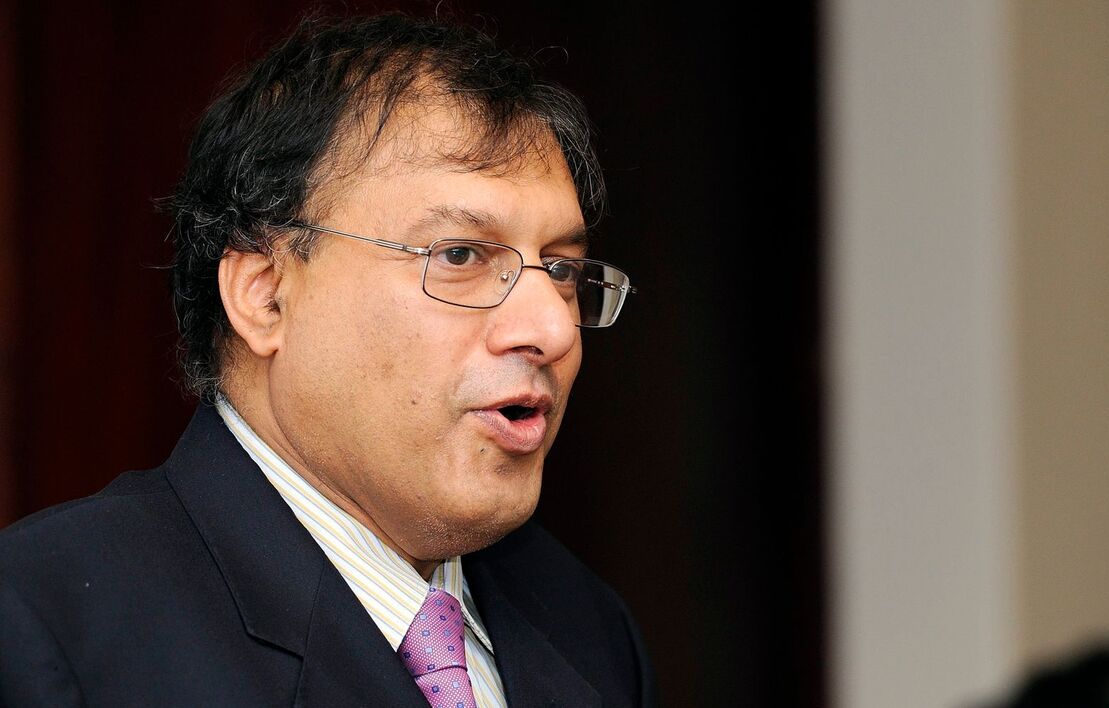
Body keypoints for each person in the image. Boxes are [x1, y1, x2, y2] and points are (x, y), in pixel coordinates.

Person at [0, 14, 656, 708]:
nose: (551, 328)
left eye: (561, 269)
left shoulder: (591, 633)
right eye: (460, 255)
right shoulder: (48, 627)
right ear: (265, 296)